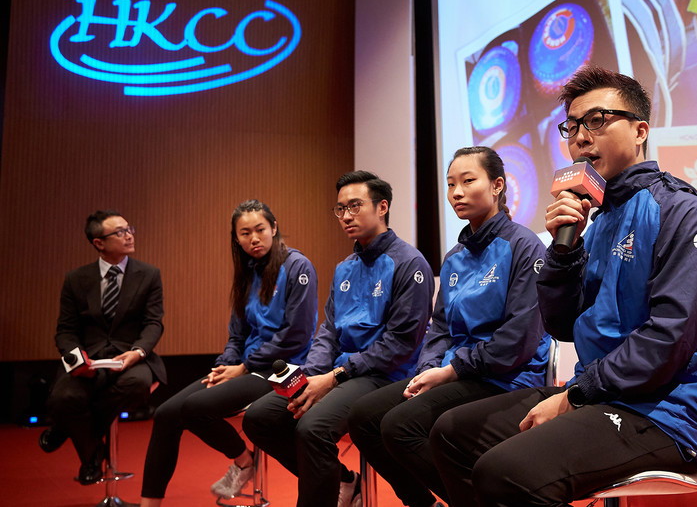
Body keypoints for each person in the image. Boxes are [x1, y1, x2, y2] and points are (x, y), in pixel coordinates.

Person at [429, 66, 697, 506]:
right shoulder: (597, 222)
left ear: (640, 131)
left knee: (506, 472)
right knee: (451, 434)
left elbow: (667, 342)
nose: (579, 138)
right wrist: (562, 252)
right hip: (601, 394)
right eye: (571, 127)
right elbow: (562, 324)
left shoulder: (684, 215)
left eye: (596, 121)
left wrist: (574, 396)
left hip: (665, 412)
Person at [348, 146, 550, 507]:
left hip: (506, 377)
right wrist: (428, 370)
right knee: (364, 417)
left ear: (498, 185)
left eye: (468, 181)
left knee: (400, 426)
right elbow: (439, 327)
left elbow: (516, 342)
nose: (456, 192)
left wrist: (451, 371)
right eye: (450, 184)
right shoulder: (454, 257)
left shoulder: (525, 246)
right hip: (457, 373)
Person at [243, 171, 434, 507]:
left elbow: (400, 345)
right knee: (260, 418)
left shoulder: (409, 262)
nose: (346, 216)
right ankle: (344, 481)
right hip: (338, 374)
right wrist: (312, 375)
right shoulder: (345, 266)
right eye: (341, 209)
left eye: (355, 206)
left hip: (384, 377)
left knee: (312, 428)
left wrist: (332, 378)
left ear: (382, 207)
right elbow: (328, 331)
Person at [139, 200, 318, 506]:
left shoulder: (298, 266)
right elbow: (237, 333)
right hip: (245, 366)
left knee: (195, 408)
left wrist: (245, 367)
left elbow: (296, 335)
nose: (254, 238)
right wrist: (224, 366)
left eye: (260, 229)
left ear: (274, 228)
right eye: (245, 233)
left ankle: (244, 462)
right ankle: (149, 504)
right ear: (236, 238)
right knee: (167, 413)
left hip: (284, 367)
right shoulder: (247, 270)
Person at [41, 209, 165, 485]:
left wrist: (137, 352)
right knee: (63, 397)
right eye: (119, 232)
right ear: (99, 243)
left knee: (135, 386)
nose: (129, 235)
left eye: (129, 228)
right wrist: (77, 361)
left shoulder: (148, 274)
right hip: (90, 359)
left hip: (131, 357)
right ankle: (93, 455)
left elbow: (153, 323)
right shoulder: (76, 279)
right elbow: (66, 330)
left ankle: (67, 429)